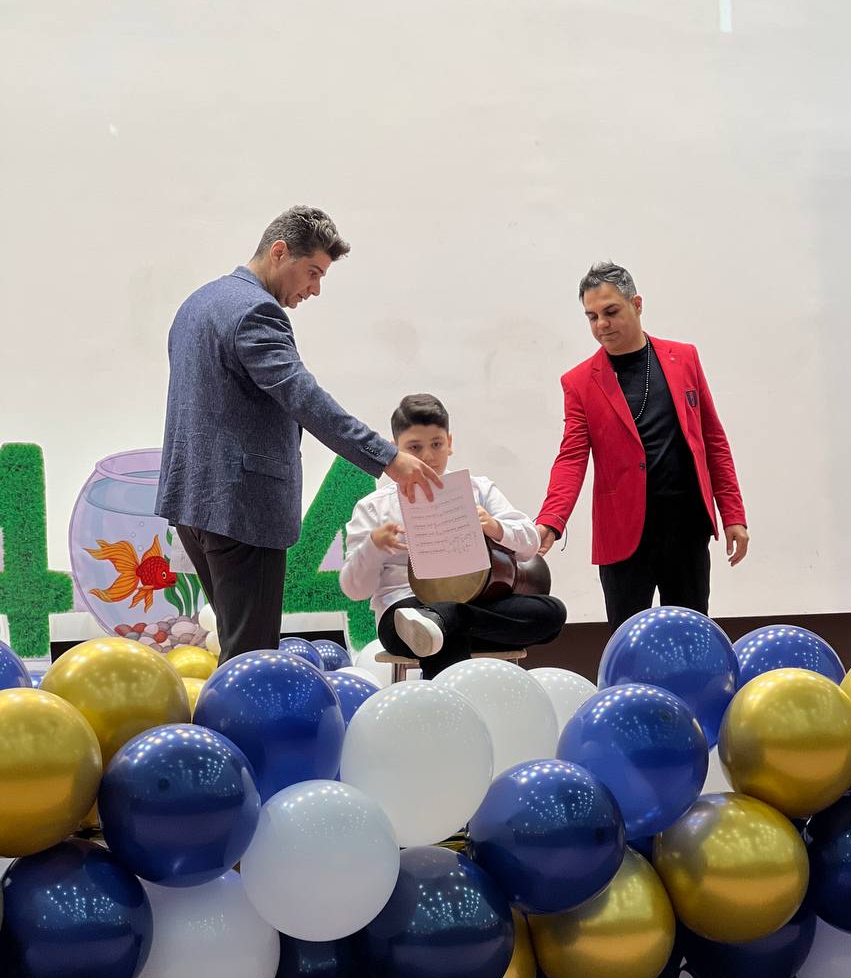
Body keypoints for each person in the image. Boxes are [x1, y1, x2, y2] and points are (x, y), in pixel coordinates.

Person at [155, 205, 440, 664]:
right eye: (312, 272)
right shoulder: (257, 312)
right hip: (242, 506)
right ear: (279, 252)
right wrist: (386, 456)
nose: (315, 289)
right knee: (252, 657)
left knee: (235, 645)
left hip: (193, 503)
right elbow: (303, 398)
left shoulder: (196, 304)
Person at [536, 261, 748, 630]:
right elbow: (571, 457)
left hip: (686, 527)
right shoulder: (579, 382)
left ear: (636, 304)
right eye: (592, 317)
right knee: (628, 640)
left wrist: (733, 514)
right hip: (622, 534)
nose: (601, 324)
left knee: (691, 636)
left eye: (611, 312)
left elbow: (713, 440)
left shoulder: (684, 358)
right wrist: (551, 522)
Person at [340, 393, 566, 679]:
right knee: (425, 629)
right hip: (406, 611)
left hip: (475, 605)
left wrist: (494, 526)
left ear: (450, 443)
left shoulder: (478, 489)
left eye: (436, 444)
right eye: (414, 447)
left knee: (551, 613)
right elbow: (354, 590)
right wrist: (373, 546)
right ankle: (440, 623)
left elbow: (530, 544)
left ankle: (443, 620)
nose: (427, 456)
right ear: (395, 449)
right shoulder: (374, 507)